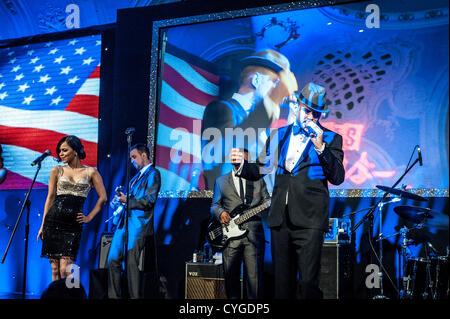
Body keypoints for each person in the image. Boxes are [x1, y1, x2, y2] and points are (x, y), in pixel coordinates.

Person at [231, 82, 345, 299]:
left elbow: (337, 177)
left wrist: (320, 147)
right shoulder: (279, 136)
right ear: (298, 107)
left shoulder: (330, 139)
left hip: (310, 221)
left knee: (308, 284)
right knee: (282, 286)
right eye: (307, 110)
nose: (311, 116)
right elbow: (261, 168)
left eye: (316, 113)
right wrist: (242, 166)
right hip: (280, 221)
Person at [201, 49, 297, 190]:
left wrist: (293, 122)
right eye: (275, 83)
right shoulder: (221, 109)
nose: (281, 91)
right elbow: (227, 149)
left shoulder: (262, 123)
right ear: (256, 80)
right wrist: (272, 100)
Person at [37, 135, 107, 282]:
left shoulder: (90, 172)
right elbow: (50, 198)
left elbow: (103, 198)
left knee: (68, 268)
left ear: (75, 150)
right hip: (53, 222)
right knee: (55, 269)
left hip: (72, 226)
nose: (61, 154)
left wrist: (89, 217)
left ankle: (73, 294)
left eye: (64, 150)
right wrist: (43, 225)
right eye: (59, 151)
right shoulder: (57, 171)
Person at [211, 149, 270, 299]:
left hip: (254, 236)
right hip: (230, 238)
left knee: (254, 281)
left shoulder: (257, 179)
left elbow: (267, 201)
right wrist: (220, 213)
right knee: (231, 280)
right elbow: (214, 205)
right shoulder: (221, 181)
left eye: (246, 160)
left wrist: (262, 209)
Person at [107, 143, 161, 299]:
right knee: (112, 260)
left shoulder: (153, 174)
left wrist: (128, 200)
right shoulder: (134, 179)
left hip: (138, 225)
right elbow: (129, 201)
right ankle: (114, 296)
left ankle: (135, 296)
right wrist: (119, 202)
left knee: (131, 263)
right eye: (131, 158)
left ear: (144, 155)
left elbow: (149, 201)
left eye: (134, 157)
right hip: (124, 224)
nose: (132, 161)